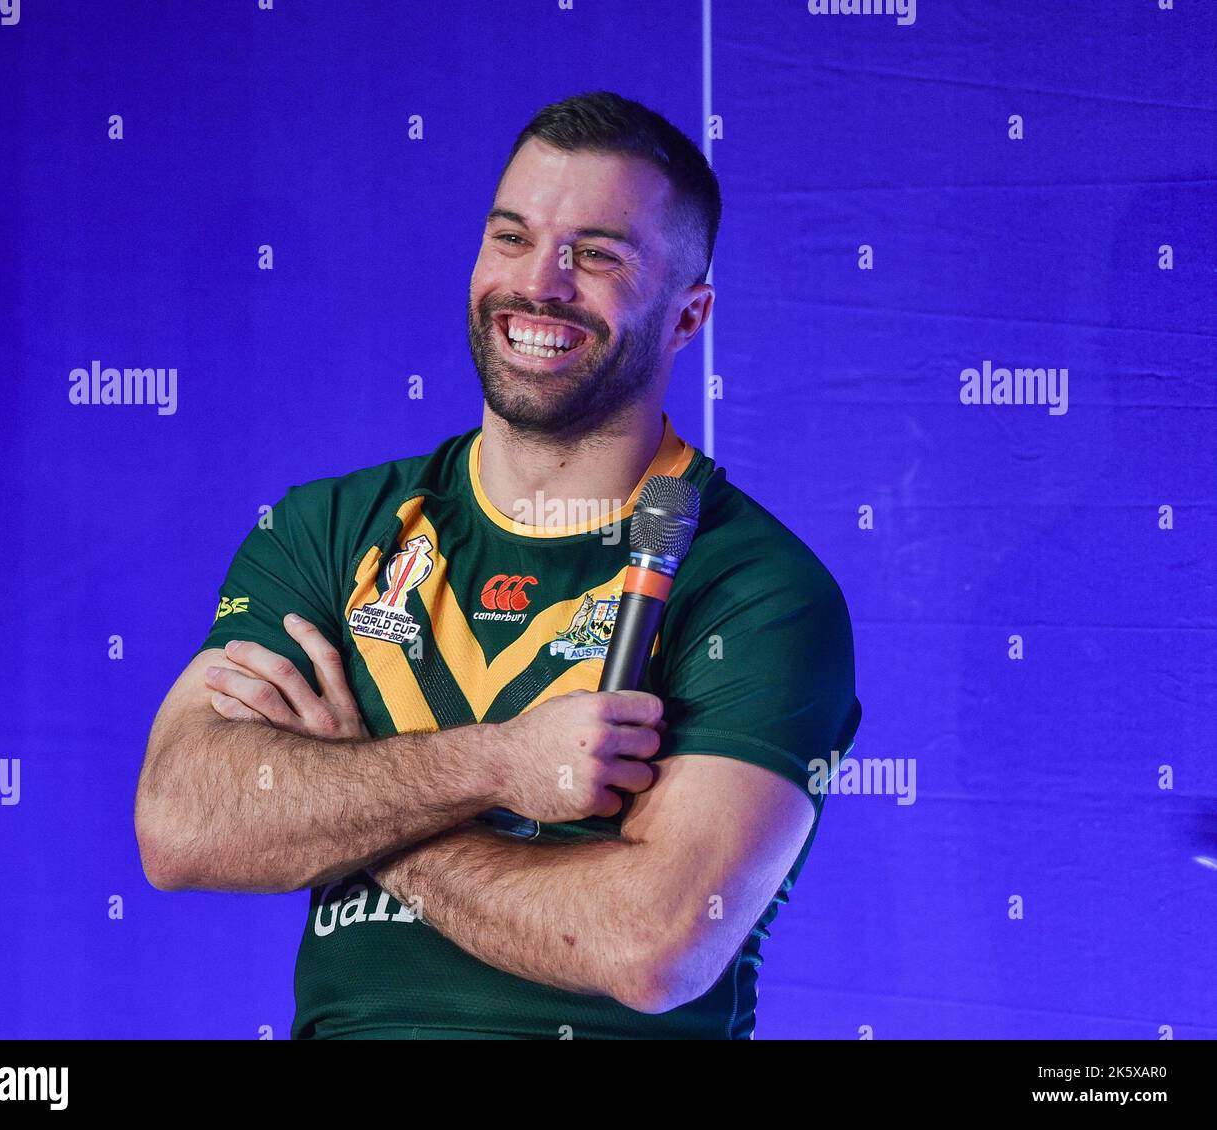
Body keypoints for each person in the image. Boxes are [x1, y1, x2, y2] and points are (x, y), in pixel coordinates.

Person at [134, 90, 861, 1040]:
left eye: (597, 255)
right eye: (511, 237)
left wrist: (359, 803)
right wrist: (495, 766)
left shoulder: (756, 589)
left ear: (689, 318)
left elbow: (650, 947)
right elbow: (182, 821)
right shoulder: (331, 529)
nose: (540, 283)